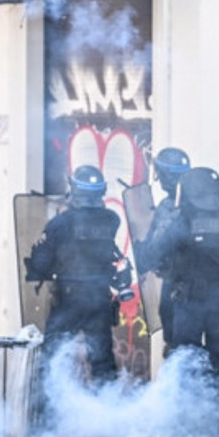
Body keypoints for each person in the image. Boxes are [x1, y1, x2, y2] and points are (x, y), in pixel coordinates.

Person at [153, 167, 219, 429]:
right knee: (217, 361)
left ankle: (186, 421)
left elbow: (156, 251)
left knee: (185, 359)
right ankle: (215, 422)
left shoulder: (183, 215)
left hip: (188, 301)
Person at [24, 165, 129, 388]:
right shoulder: (111, 219)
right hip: (99, 299)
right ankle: (107, 409)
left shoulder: (59, 224)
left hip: (68, 300)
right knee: (102, 361)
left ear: (75, 190)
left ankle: (50, 414)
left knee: (53, 358)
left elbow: (41, 263)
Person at [134, 147, 191, 350]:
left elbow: (154, 251)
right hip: (207, 289)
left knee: (176, 346)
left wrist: (142, 253)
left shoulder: (169, 208)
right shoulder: (204, 205)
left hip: (177, 285)